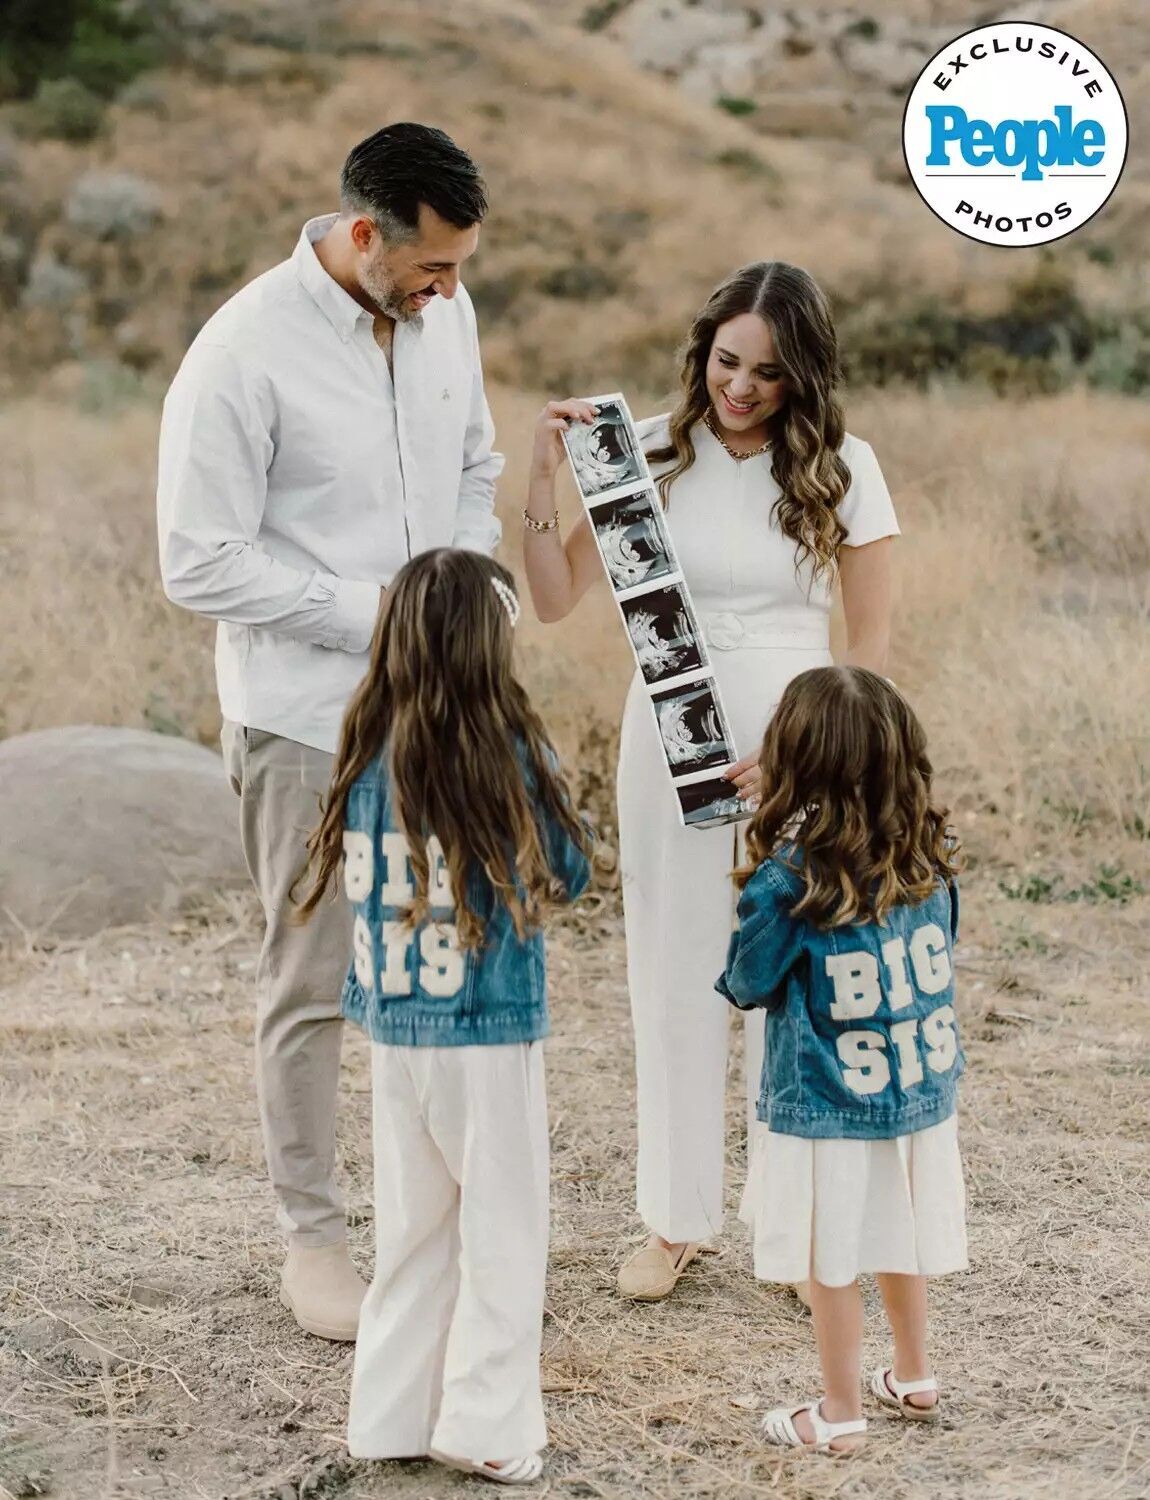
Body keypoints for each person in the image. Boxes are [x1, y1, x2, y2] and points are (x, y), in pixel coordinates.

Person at [156, 122, 503, 1340]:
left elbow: (475, 461)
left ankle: (438, 1217)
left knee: (441, 961)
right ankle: (312, 1241)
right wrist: (374, 617)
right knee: (309, 981)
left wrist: (468, 594)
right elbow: (194, 560)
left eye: (460, 269)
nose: (448, 291)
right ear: (365, 233)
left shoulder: (445, 315)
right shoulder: (241, 350)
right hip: (306, 717)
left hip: (440, 708)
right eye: (429, 267)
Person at [521, 262, 900, 1301]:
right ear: (703, 353)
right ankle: (673, 1220)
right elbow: (551, 603)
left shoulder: (843, 466)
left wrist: (804, 750)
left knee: (803, 985)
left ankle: (798, 1231)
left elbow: (866, 645)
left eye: (768, 374)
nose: (740, 387)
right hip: (669, 743)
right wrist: (544, 472)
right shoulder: (645, 449)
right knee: (673, 972)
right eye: (727, 362)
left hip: (804, 752)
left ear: (802, 378)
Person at [295, 548, 593, 1485]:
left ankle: (389, 1415)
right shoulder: (507, 752)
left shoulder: (366, 749)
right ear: (485, 647)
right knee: (504, 1230)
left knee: (413, 1226)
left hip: (395, 1031)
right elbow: (569, 873)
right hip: (486, 1030)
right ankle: (486, 1423)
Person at [718, 665, 967, 1455]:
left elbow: (747, 982)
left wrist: (766, 854)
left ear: (793, 765)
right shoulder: (928, 856)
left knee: (833, 1256)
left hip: (828, 1102)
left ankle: (839, 1410)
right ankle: (915, 1376)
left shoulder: (790, 880)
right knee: (900, 1232)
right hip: (914, 1088)